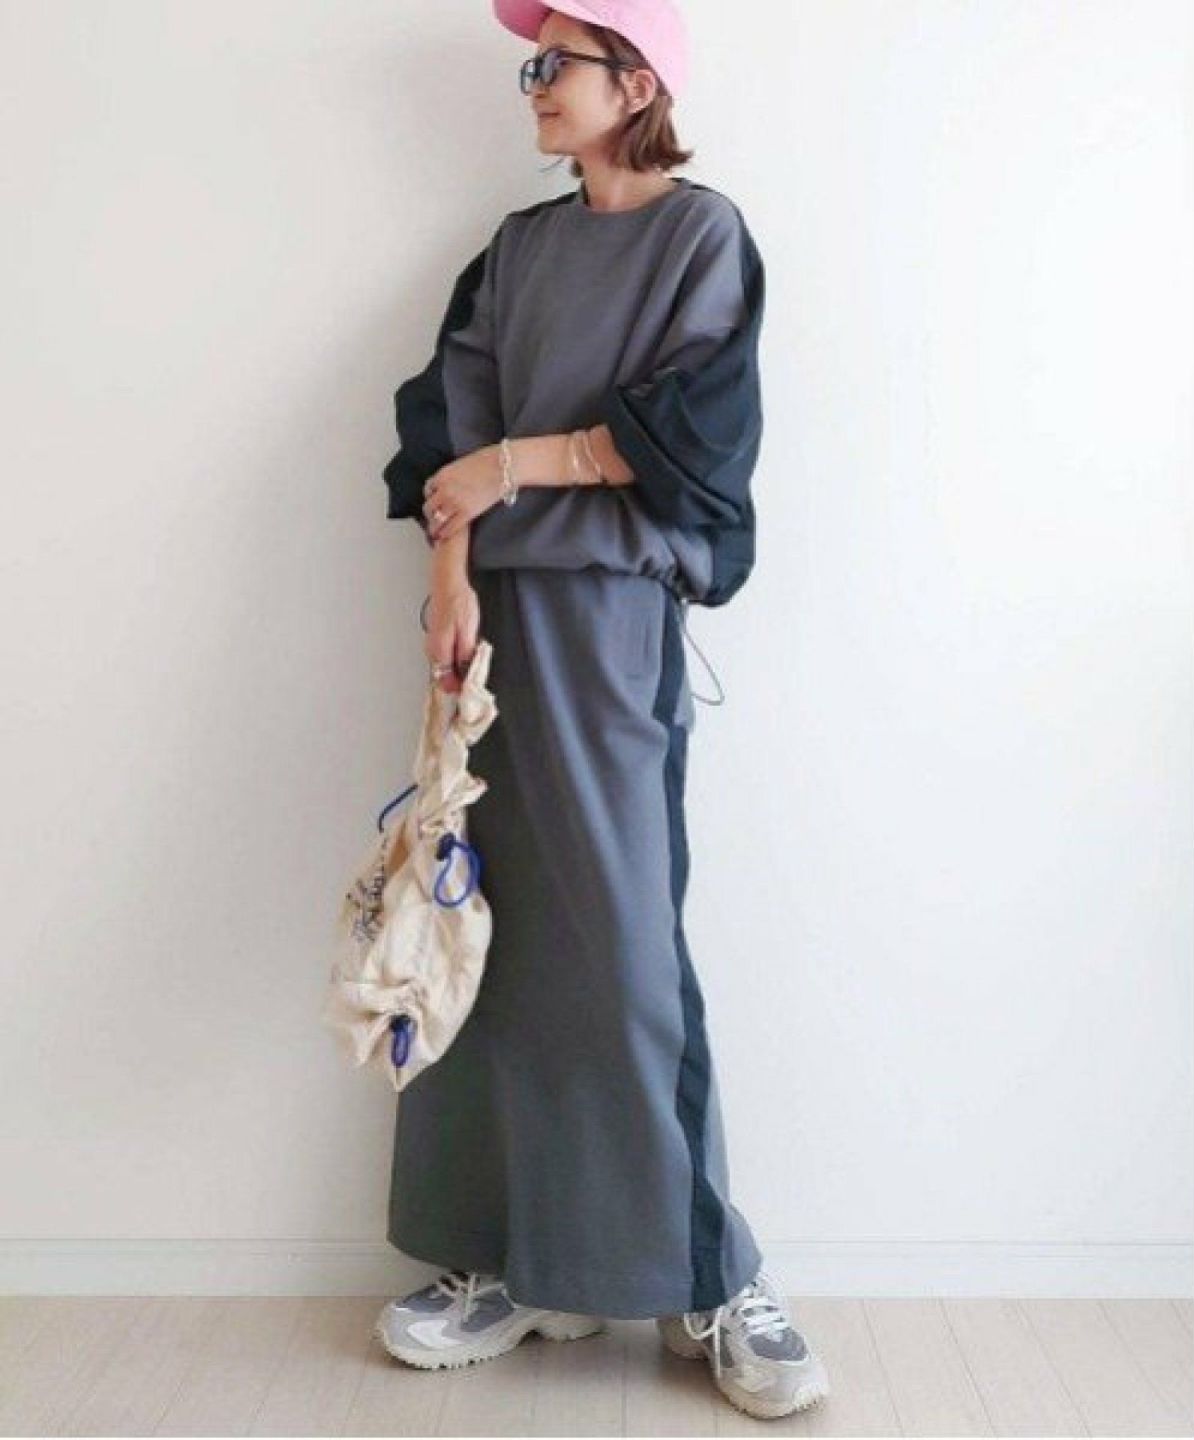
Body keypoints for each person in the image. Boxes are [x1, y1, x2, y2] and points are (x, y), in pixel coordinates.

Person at [372, 0, 830, 1421]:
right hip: (491, 624)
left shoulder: (702, 237)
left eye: (552, 62)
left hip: (611, 622)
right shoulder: (517, 248)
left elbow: (691, 431)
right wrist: (449, 579)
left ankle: (710, 1273)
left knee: (626, 948)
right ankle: (516, 1260)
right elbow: (445, 435)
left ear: (636, 83)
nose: (532, 84)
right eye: (531, 63)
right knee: (484, 935)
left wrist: (516, 467)